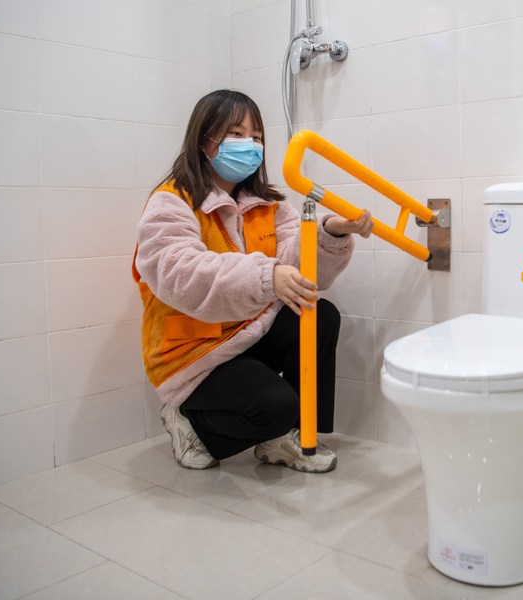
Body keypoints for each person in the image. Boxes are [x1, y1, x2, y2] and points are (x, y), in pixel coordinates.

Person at [132, 89, 372, 472]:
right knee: (275, 408)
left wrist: (331, 233)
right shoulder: (172, 202)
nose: (250, 145)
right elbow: (181, 275)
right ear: (204, 140)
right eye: (237, 134)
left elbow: (300, 269)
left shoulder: (269, 204)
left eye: (257, 136)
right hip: (194, 351)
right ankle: (188, 421)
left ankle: (292, 436)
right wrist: (266, 275)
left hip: (245, 331)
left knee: (319, 314)